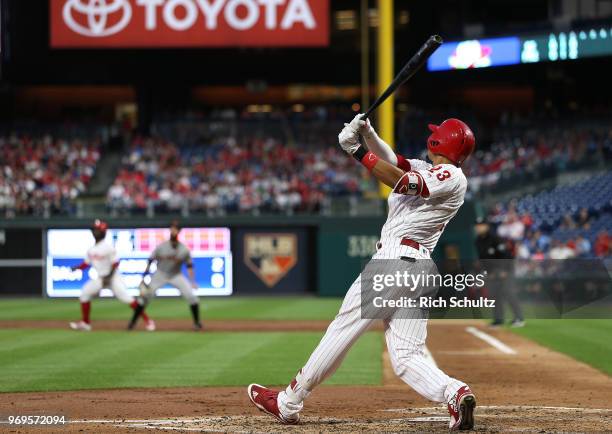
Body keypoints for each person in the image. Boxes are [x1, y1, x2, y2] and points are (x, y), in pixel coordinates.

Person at [248, 116, 477, 430]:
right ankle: (455, 393)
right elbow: (394, 161)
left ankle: (289, 401)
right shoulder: (435, 169)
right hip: (419, 269)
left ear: (441, 142)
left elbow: (400, 181)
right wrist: (368, 133)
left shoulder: (450, 176)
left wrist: (356, 151)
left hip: (395, 261)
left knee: (344, 327)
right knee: (406, 356)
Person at [69, 220, 155, 332]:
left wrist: (108, 278)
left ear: (103, 232)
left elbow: (115, 264)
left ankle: (148, 321)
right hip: (101, 278)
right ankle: (85, 323)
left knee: (127, 299)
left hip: (113, 278)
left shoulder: (108, 247)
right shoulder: (91, 249)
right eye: (94, 229)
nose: (95, 232)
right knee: (84, 294)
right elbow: (86, 263)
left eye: (97, 230)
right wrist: (77, 268)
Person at [128, 221, 201, 330]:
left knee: (192, 297)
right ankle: (132, 323)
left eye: (175, 229)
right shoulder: (161, 247)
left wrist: (192, 281)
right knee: (144, 298)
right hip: (160, 274)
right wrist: (144, 278)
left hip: (176, 275)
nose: (173, 230)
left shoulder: (184, 249)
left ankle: (197, 323)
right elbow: (150, 261)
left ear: (179, 231)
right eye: (172, 228)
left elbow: (189, 266)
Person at [474, 217, 524, 328]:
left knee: (508, 292)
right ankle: (498, 320)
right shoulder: (477, 241)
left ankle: (519, 318)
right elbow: (483, 259)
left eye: (481, 225)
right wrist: (488, 272)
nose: (478, 228)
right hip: (492, 272)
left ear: (486, 226)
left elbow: (506, 255)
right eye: (477, 226)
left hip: (506, 270)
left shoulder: (495, 238)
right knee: (494, 295)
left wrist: (505, 270)